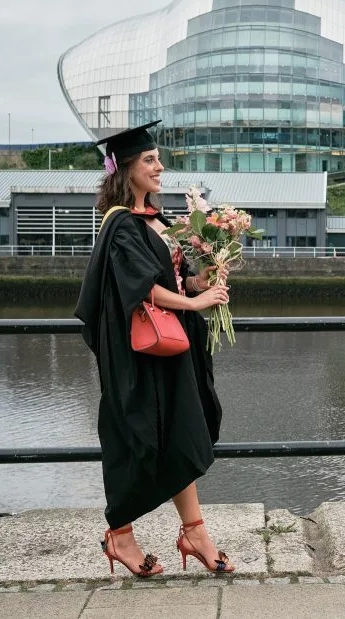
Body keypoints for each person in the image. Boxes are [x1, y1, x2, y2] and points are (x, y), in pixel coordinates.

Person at [75, 120, 236, 576]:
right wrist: (195, 302)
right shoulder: (121, 224)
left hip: (172, 348)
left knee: (180, 432)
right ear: (126, 168)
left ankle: (194, 532)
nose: (159, 166)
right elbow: (140, 287)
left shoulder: (157, 221)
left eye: (158, 159)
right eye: (149, 160)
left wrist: (203, 280)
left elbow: (172, 280)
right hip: (140, 354)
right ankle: (120, 537)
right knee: (137, 436)